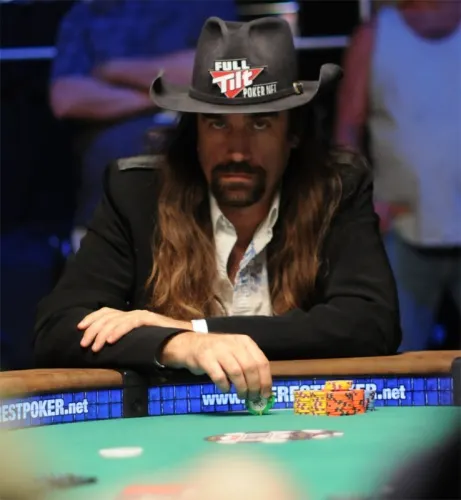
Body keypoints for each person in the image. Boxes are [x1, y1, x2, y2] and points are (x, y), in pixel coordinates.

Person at [34, 16, 401, 400]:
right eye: (217, 125)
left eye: (259, 125)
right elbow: (58, 329)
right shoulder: (137, 194)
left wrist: (197, 330)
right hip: (175, 424)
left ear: (293, 132)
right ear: (195, 132)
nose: (237, 151)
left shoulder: (335, 189)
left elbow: (371, 323)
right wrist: (177, 345)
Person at [49, 0, 237, 252]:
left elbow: (215, 73)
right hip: (109, 195)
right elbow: (67, 98)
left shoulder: (205, 4)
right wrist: (162, 93)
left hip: (199, 186)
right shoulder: (88, 11)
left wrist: (112, 70)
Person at [334, 0, 461, 351]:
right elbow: (347, 130)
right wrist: (363, 205)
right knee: (393, 358)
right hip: (400, 232)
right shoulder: (375, 36)